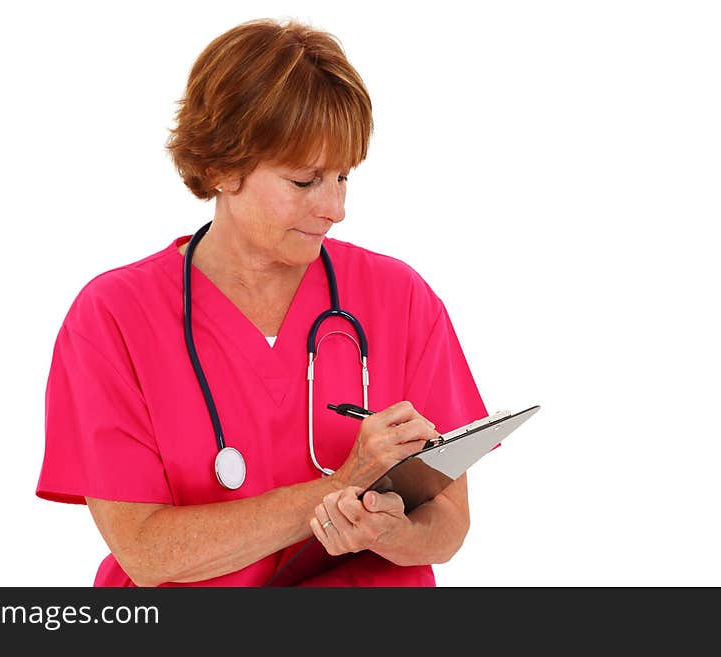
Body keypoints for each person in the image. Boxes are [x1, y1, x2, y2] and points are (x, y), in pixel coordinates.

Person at [36, 18, 487, 587]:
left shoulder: (399, 299)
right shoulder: (113, 318)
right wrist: (335, 490)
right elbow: (147, 553)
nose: (336, 208)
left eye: (343, 177)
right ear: (220, 167)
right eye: (304, 181)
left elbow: (448, 526)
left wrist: (387, 531)